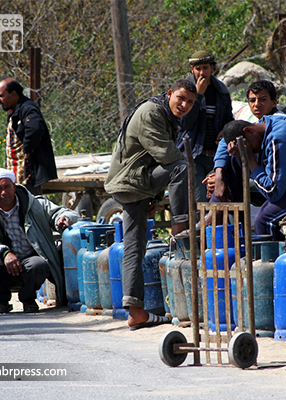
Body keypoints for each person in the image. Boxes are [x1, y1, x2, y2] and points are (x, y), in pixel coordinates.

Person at [104, 79, 196, 330]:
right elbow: (165, 155)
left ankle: (135, 310)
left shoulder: (166, 115)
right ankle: (179, 228)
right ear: (170, 94)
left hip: (137, 181)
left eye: (190, 102)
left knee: (135, 245)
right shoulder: (152, 112)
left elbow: (153, 159)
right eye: (181, 98)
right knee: (182, 167)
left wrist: (153, 199)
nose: (184, 105)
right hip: (131, 181)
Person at [0, 168, 78, 314]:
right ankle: (2, 301)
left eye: (7, 187)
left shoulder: (35, 204)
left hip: (28, 266)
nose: (4, 192)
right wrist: (4, 254)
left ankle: (28, 299)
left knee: (39, 264)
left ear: (14, 186)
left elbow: (60, 212)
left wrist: (63, 219)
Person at [203, 80, 286, 201]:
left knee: (235, 160)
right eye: (252, 100)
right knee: (221, 172)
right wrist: (219, 174)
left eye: (263, 100)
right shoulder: (256, 122)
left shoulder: (280, 124)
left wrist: (222, 179)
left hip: (279, 184)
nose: (256, 104)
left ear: (274, 102)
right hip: (259, 176)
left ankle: (220, 210)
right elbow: (225, 140)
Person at [174, 51, 234, 203]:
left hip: (216, 156)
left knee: (217, 200)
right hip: (193, 157)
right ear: (192, 69)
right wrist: (198, 95)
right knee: (198, 202)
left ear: (212, 68)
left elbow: (228, 119)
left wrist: (225, 130)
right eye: (198, 69)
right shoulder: (184, 91)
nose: (202, 73)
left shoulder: (221, 91)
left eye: (205, 68)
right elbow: (185, 123)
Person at [0, 78, 58, 195]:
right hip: (17, 173)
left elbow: (35, 128)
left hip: (28, 175)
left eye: (1, 96)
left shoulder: (27, 108)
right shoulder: (15, 111)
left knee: (30, 203)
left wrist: (28, 149)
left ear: (13, 94)